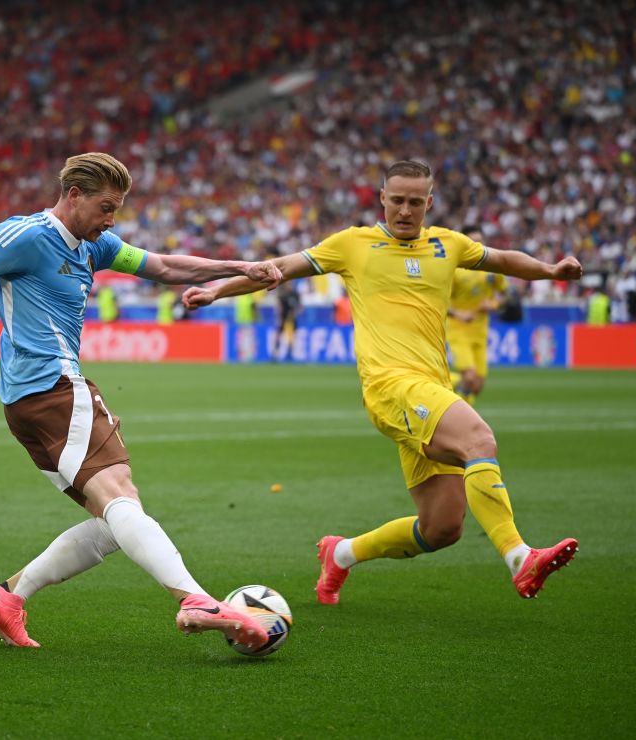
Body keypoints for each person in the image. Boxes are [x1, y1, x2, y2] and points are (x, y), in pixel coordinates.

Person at [0, 152, 284, 648]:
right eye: (105, 207)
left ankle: (7, 597)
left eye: (117, 210)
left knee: (114, 520)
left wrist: (236, 267)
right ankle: (195, 598)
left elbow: (162, 266)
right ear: (74, 197)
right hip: (54, 388)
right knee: (119, 496)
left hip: (28, 403)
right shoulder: (25, 236)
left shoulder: (95, 244)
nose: (111, 220)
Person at [184, 159, 581, 603]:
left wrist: (549, 270)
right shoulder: (353, 244)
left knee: (442, 527)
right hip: (390, 386)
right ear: (383, 199)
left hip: (432, 390)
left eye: (415, 202)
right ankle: (519, 558)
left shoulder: (448, 245)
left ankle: (342, 554)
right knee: (478, 439)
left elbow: (502, 259)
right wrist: (217, 290)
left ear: (429, 203)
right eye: (397, 200)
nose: (406, 210)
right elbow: (276, 267)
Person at [446, 225, 507, 405]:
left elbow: (507, 296)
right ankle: (441, 386)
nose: (477, 245)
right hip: (458, 330)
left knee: (477, 385)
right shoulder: (454, 271)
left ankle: (456, 392)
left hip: (480, 331)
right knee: (470, 378)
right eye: (473, 241)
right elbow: (440, 302)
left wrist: (493, 304)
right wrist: (459, 314)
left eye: (480, 241)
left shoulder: (492, 270)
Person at [272, 281, 302, 361]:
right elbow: (279, 307)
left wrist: (295, 313)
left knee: (292, 337)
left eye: (290, 284)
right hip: (283, 318)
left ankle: (290, 355)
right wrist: (279, 318)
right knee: (279, 335)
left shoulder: (295, 295)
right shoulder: (283, 295)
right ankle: (275, 354)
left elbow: (300, 307)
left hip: (292, 319)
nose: (289, 285)